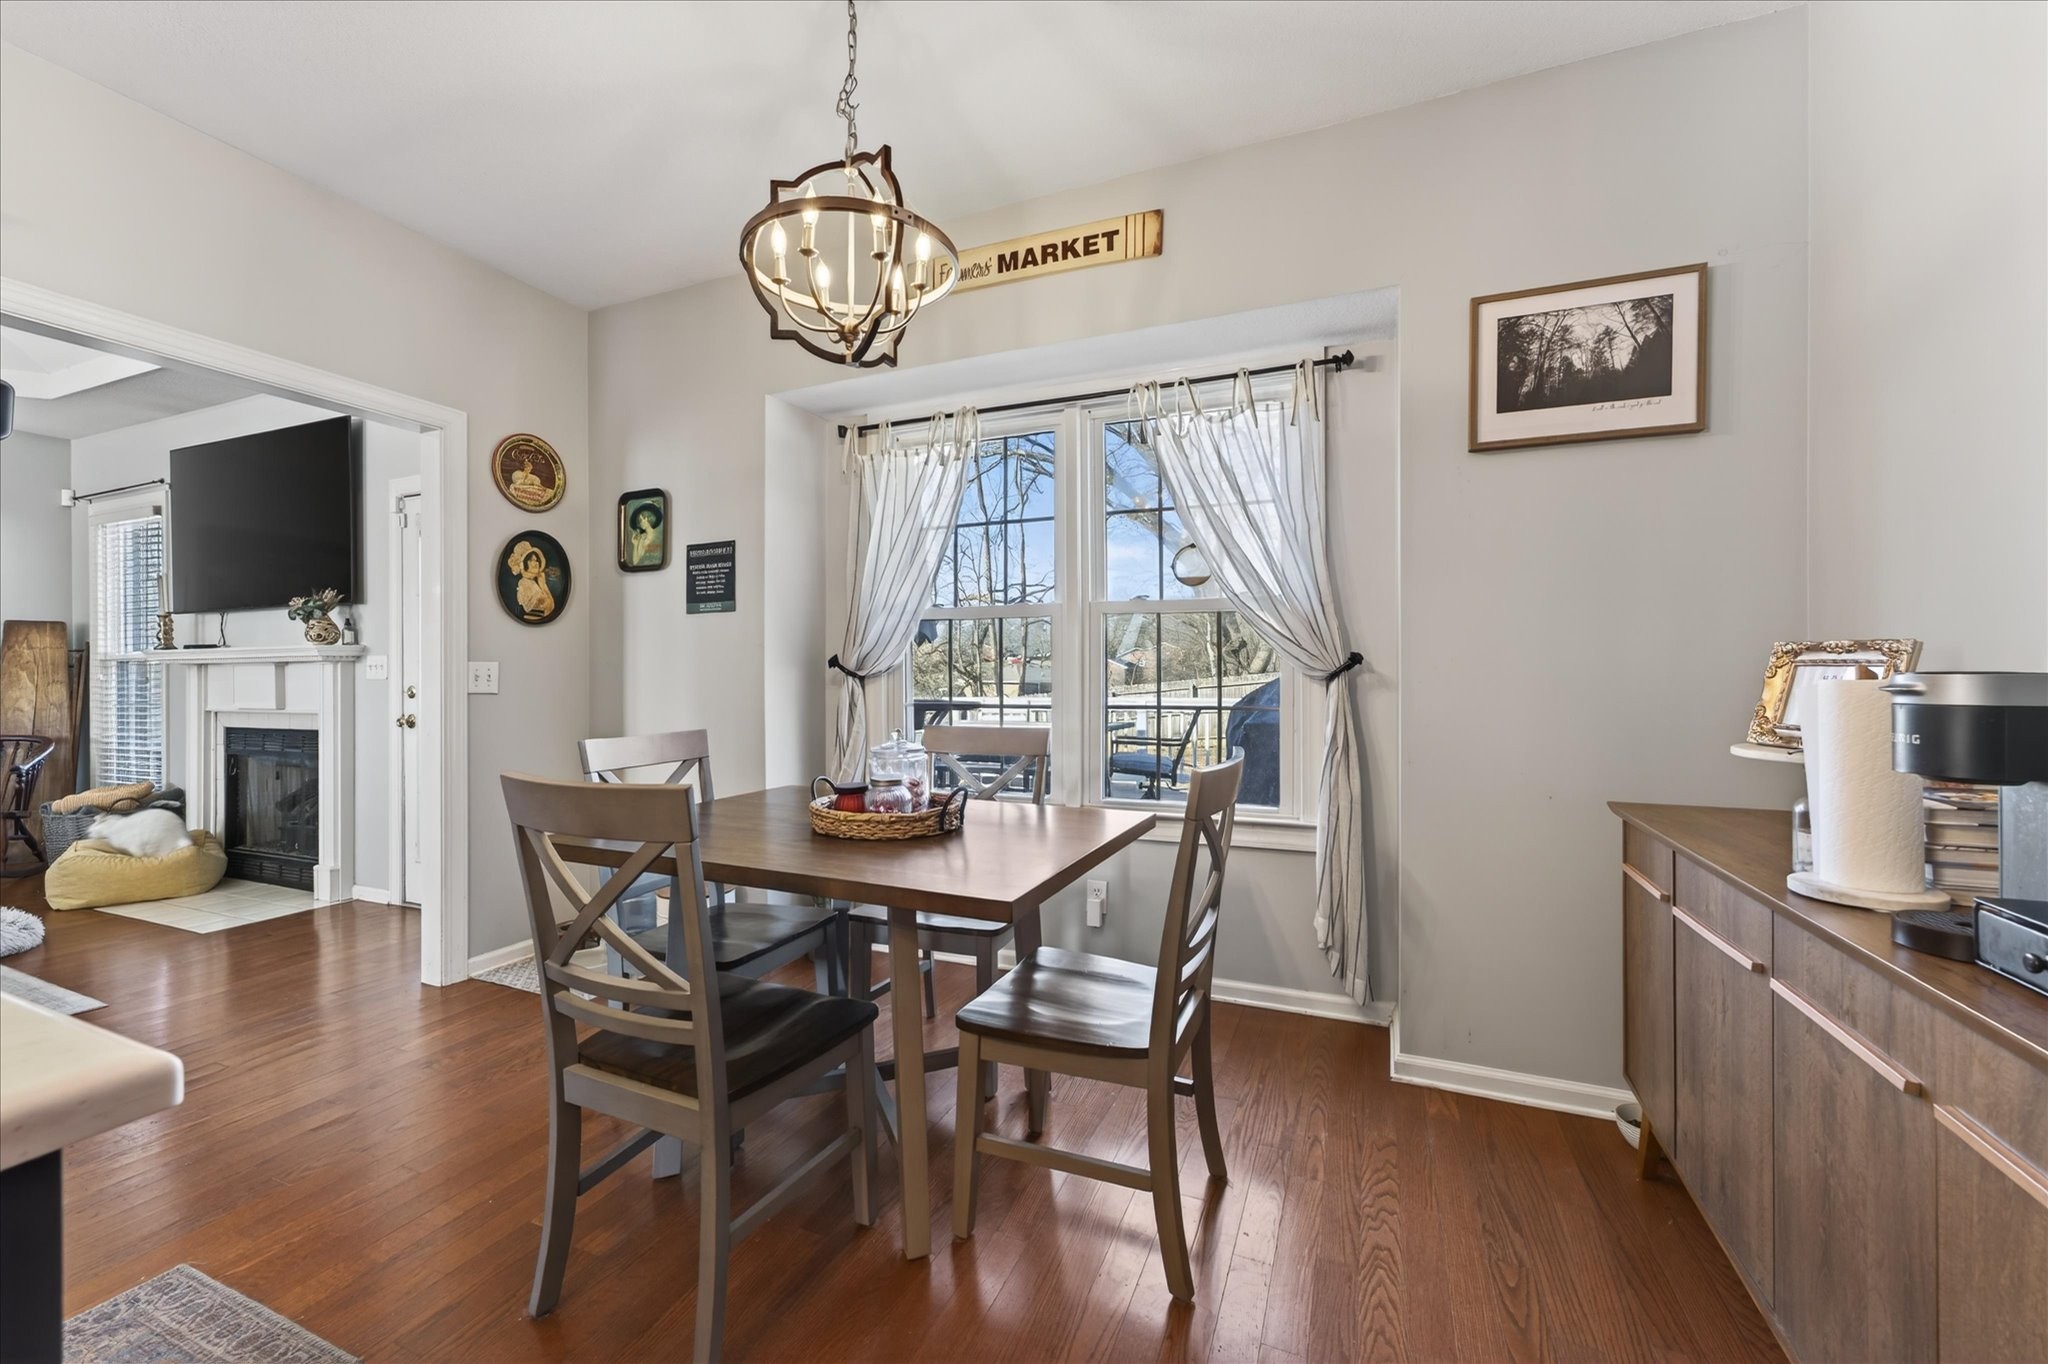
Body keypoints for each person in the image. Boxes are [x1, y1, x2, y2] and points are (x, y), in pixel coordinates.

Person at [506, 541, 556, 620]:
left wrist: (543, 584)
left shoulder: (537, 582)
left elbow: (550, 608)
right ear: (524, 564)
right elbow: (541, 605)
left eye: (536, 560)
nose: (536, 563)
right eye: (531, 560)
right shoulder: (524, 583)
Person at [627, 501, 663, 566]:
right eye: (640, 520)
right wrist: (635, 544)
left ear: (649, 518)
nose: (641, 522)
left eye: (643, 519)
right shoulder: (642, 538)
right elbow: (635, 562)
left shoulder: (658, 537)